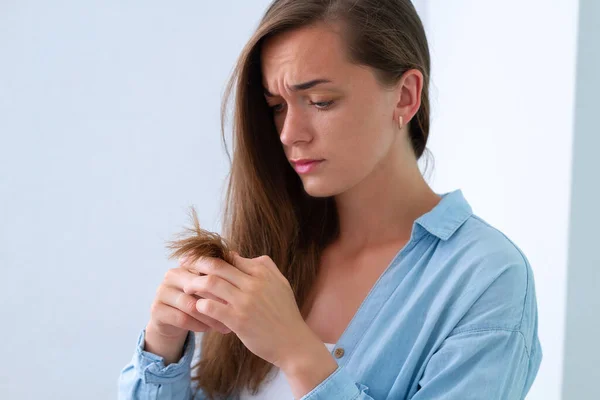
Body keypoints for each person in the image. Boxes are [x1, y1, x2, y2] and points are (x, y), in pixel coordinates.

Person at [118, 0, 543, 399]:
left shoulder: (486, 279)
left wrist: (297, 352)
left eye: (320, 101)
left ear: (405, 96)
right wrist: (163, 347)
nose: (289, 133)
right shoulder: (265, 251)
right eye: (277, 106)